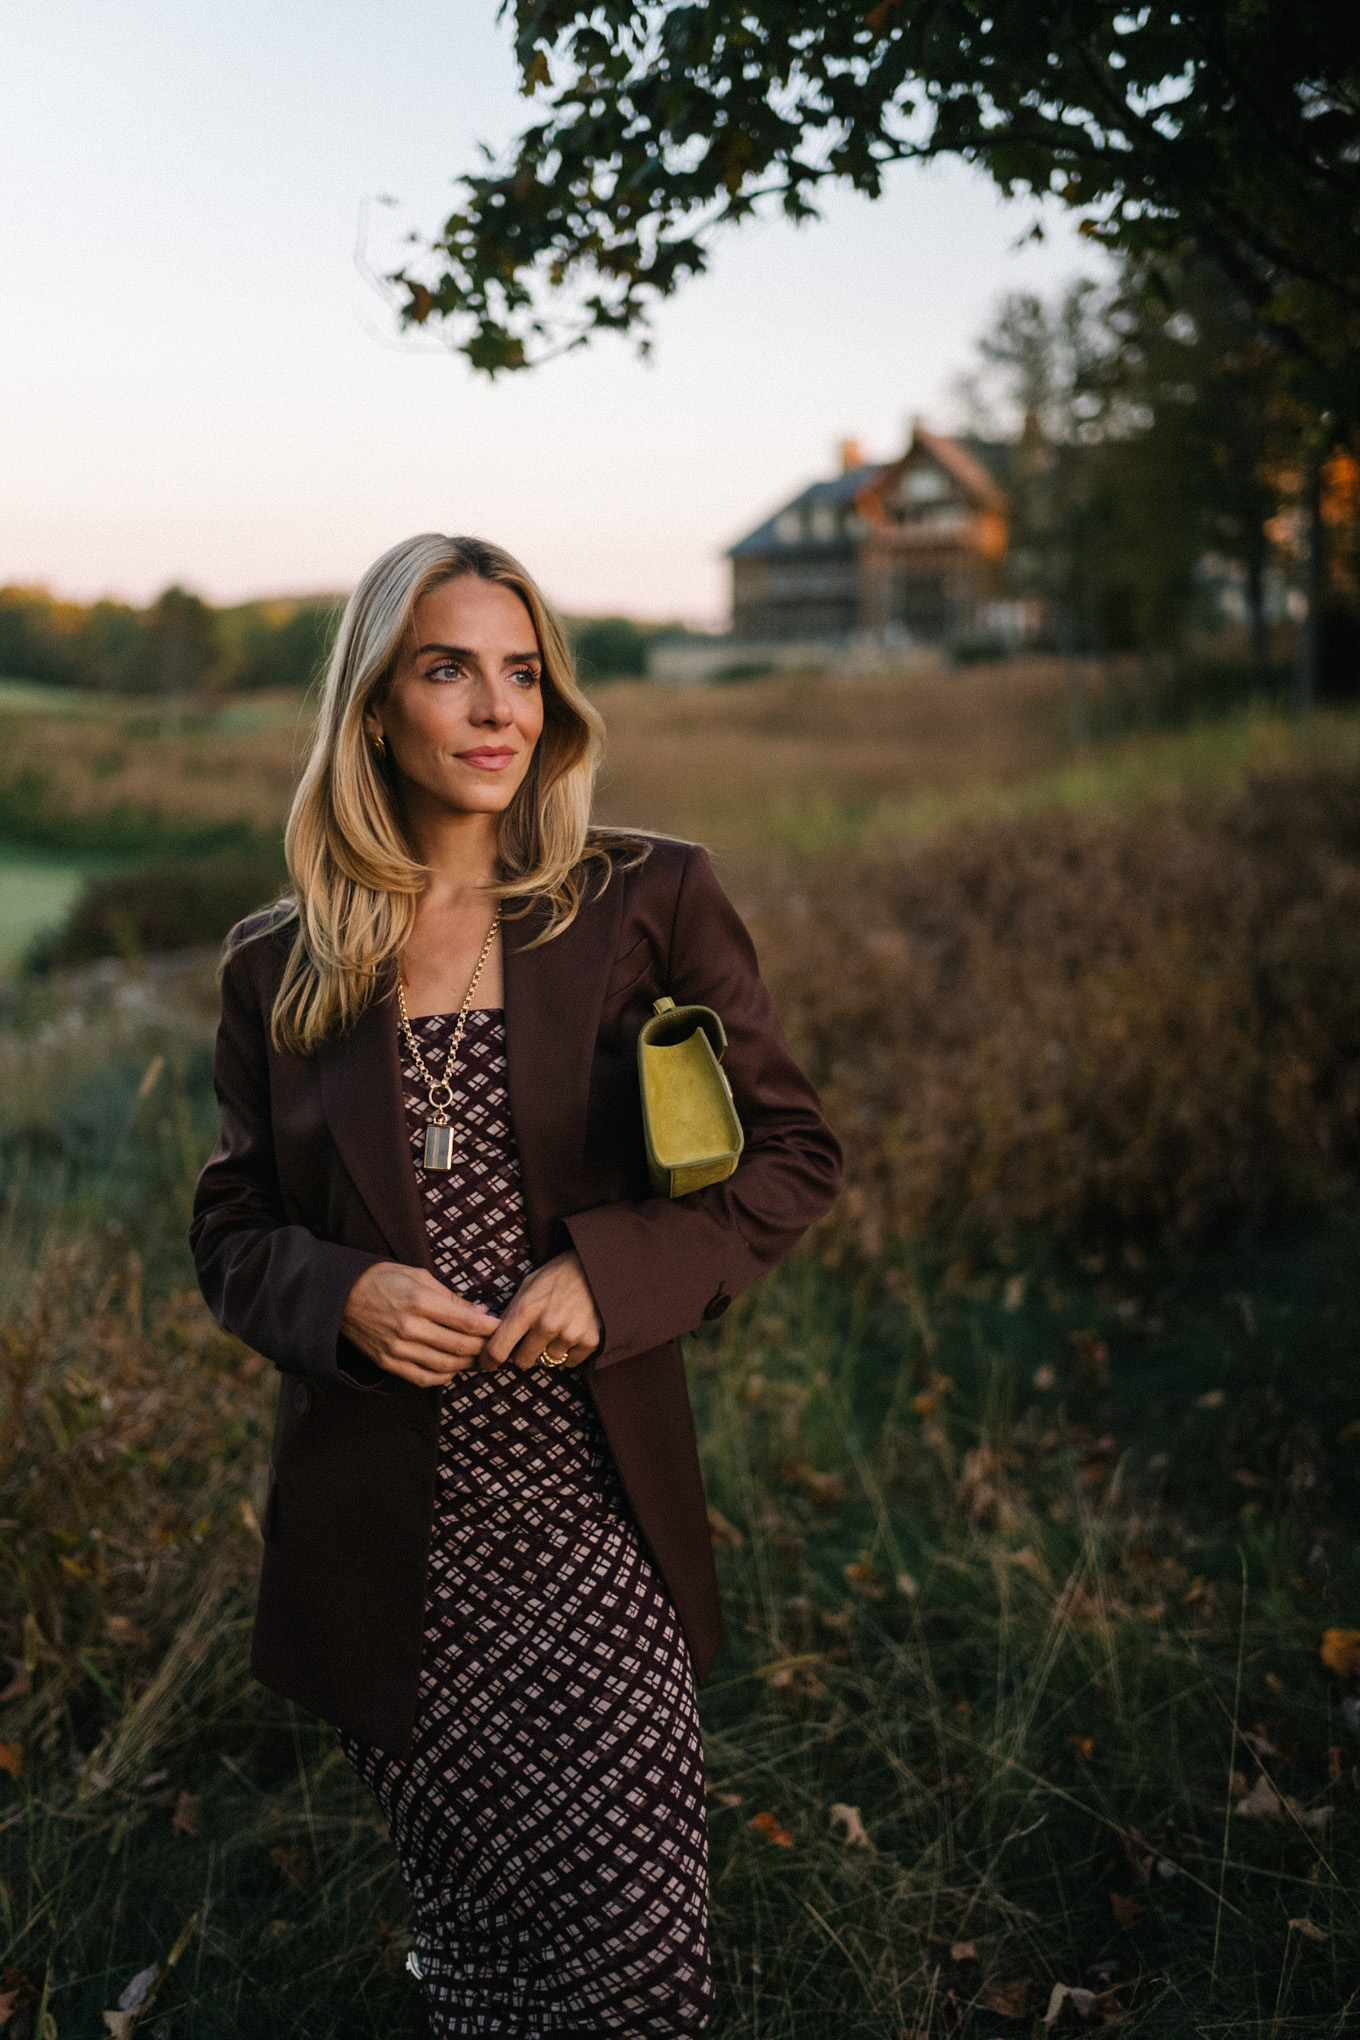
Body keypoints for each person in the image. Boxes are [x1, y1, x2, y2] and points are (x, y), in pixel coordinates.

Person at [191, 533, 842, 2037]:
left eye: (523, 671)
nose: (497, 710)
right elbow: (230, 1229)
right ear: (373, 710)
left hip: (592, 1516)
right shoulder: (276, 968)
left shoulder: (647, 899)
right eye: (447, 670)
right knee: (484, 1962)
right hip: (389, 1545)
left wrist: (612, 1276)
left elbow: (793, 1156)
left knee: (639, 1975)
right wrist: (336, 1293)